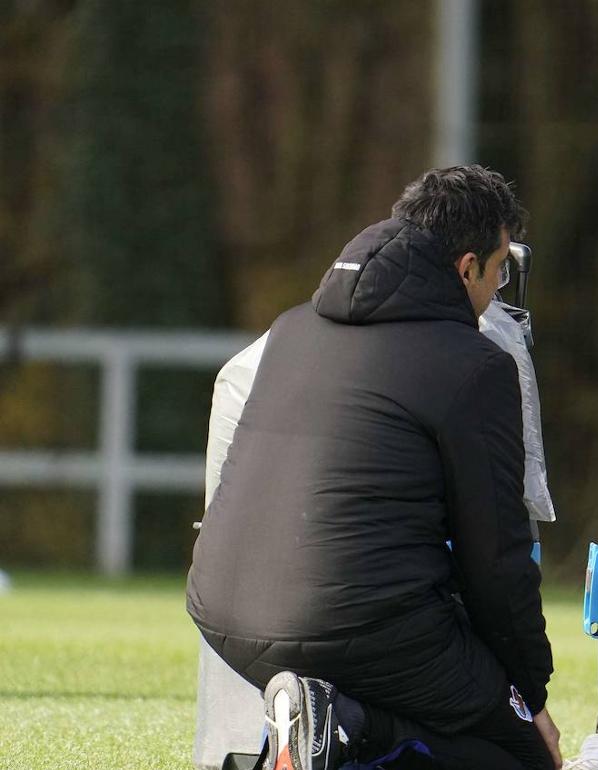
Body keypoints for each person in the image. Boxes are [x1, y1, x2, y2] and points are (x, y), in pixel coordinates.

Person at [187, 165, 561, 770]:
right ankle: (341, 726)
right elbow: (495, 560)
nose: (498, 288)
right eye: (498, 270)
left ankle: (310, 730)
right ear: (466, 268)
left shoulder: (289, 329)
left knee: (396, 683)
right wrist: (528, 694)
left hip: (223, 616)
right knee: (519, 756)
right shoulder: (476, 364)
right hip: (356, 625)